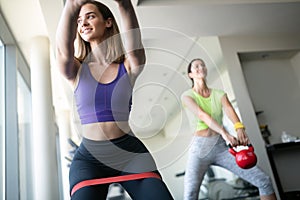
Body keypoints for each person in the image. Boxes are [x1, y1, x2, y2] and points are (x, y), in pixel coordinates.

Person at [55, 0, 174, 199]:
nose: (83, 23)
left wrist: (124, 4)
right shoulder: (75, 70)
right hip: (89, 159)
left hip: (130, 154)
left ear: (108, 22)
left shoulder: (128, 67)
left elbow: (134, 45)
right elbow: (62, 51)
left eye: (90, 16)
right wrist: (72, 5)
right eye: (79, 20)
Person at [181, 58, 277, 200]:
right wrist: (225, 132)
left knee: (264, 181)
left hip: (220, 147)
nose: (200, 67)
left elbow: (229, 110)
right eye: (196, 66)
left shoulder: (219, 94)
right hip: (200, 149)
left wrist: (239, 128)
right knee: (190, 195)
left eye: (203, 65)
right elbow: (202, 115)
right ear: (190, 74)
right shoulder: (187, 96)